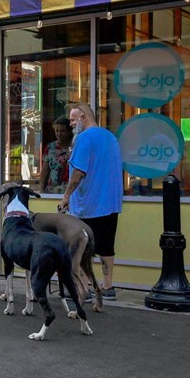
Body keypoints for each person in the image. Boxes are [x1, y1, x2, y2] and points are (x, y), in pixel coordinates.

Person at [58, 103, 123, 301]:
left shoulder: (84, 138)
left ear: (84, 117)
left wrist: (67, 196)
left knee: (81, 248)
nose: (70, 124)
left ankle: (83, 289)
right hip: (110, 203)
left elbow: (78, 172)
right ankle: (108, 286)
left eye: (72, 119)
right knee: (106, 247)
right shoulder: (110, 137)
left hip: (88, 205)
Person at [40, 116, 73, 193]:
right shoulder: (50, 147)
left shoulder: (75, 147)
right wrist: (41, 190)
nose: (59, 134)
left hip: (69, 191)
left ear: (69, 132)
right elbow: (45, 171)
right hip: (52, 191)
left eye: (62, 131)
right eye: (57, 131)